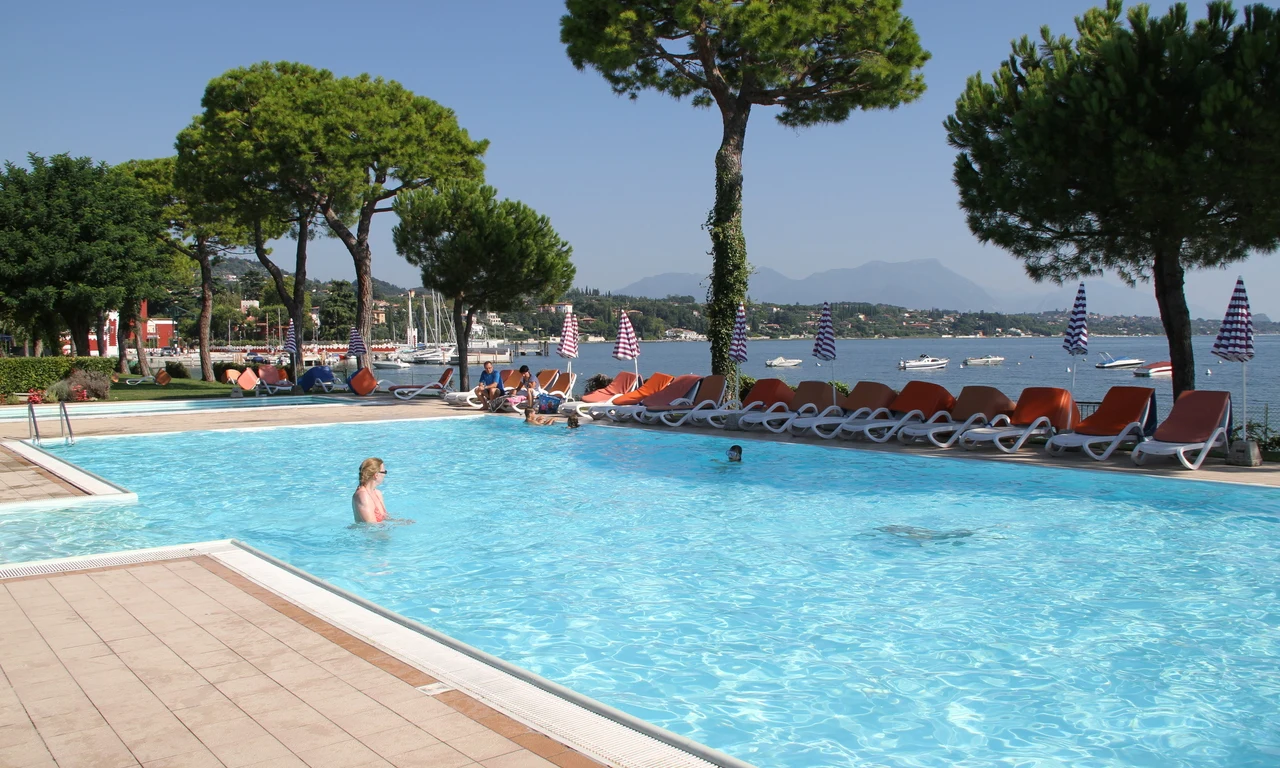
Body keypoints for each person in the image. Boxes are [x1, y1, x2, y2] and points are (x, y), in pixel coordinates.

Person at [352, 457, 390, 524]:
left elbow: (386, 518)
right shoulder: (363, 496)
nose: (385, 475)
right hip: (368, 533)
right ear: (376, 475)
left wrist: (400, 522)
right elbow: (371, 526)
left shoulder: (378, 493)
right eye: (385, 472)